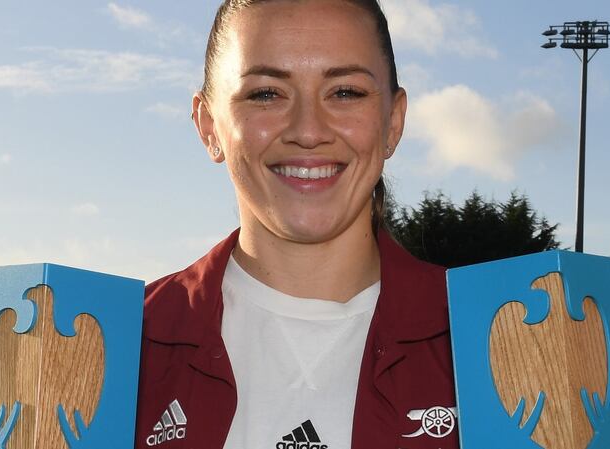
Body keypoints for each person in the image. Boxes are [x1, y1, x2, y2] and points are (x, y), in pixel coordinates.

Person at [135, 1, 458, 448]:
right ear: (209, 125)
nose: (308, 130)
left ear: (393, 121)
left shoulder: (493, 339)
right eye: (266, 93)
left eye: (345, 92)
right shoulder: (121, 345)